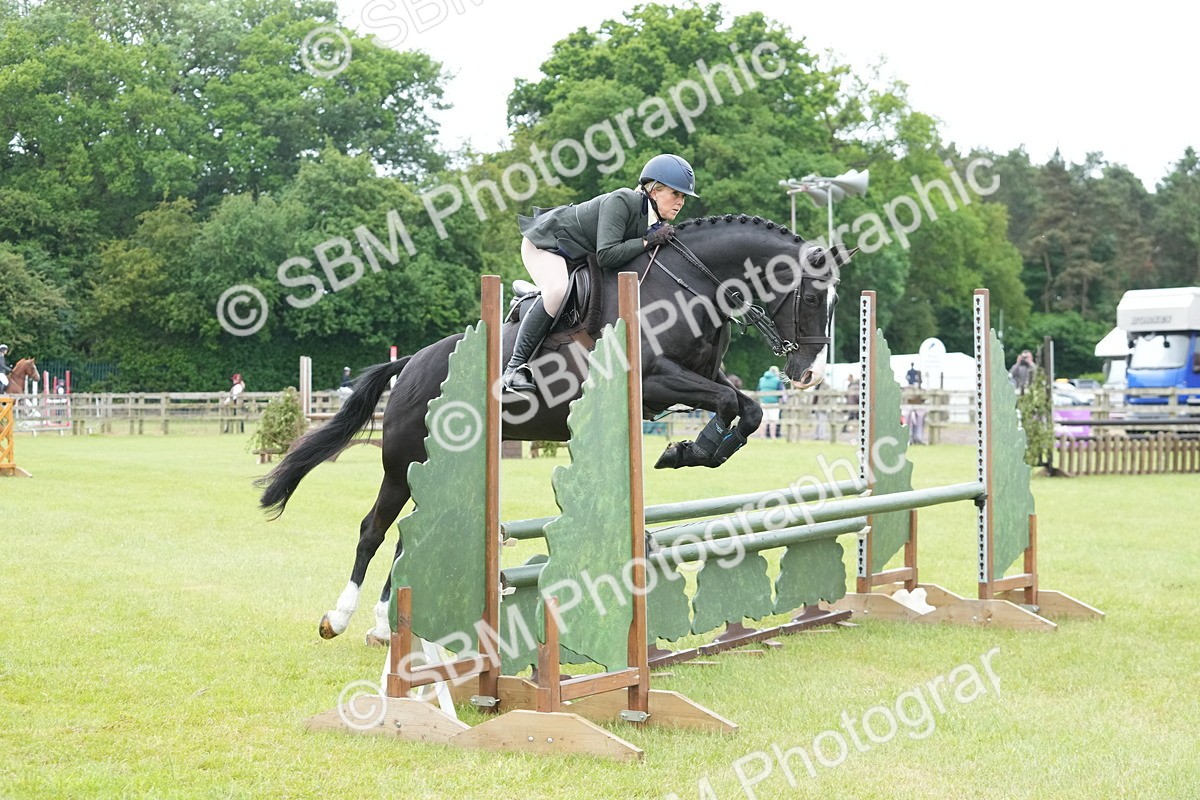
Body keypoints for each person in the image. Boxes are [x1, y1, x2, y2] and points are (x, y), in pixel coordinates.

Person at [502, 153, 699, 391]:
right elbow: (607, 255)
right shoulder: (623, 200)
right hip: (547, 243)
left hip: (575, 255)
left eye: (683, 196)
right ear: (655, 190)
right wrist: (648, 242)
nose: (681, 202)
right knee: (556, 291)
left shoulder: (653, 222)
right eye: (675, 194)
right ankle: (514, 369)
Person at [757, 365, 784, 439]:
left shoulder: (761, 379)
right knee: (773, 421)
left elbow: (758, 390)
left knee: (764, 421)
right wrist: (781, 402)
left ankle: (762, 436)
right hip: (774, 403)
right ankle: (773, 436)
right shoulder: (777, 380)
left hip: (763, 402)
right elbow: (781, 393)